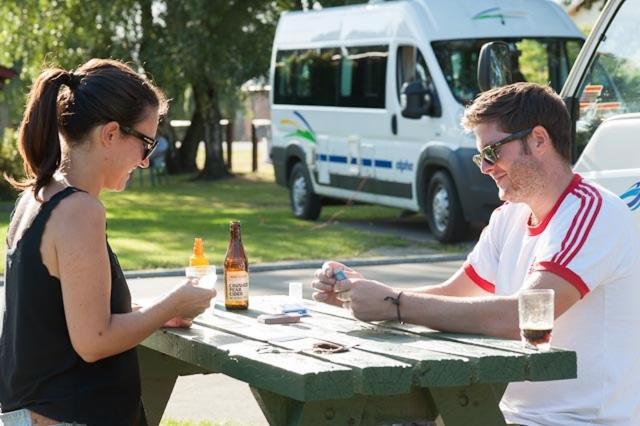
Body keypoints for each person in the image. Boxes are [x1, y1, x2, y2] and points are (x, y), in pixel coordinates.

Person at [312, 83, 640, 425]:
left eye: (492, 152)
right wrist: (360, 295)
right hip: (505, 413)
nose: (485, 167)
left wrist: (394, 303)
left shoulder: (593, 212)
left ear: (539, 140)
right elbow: (450, 296)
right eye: (480, 156)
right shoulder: (509, 215)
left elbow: (520, 318)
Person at [0, 59, 215, 425]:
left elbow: (63, 320)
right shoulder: (80, 210)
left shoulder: (37, 198)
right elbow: (94, 340)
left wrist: (153, 310)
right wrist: (174, 302)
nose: (145, 161)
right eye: (146, 143)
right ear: (111, 133)